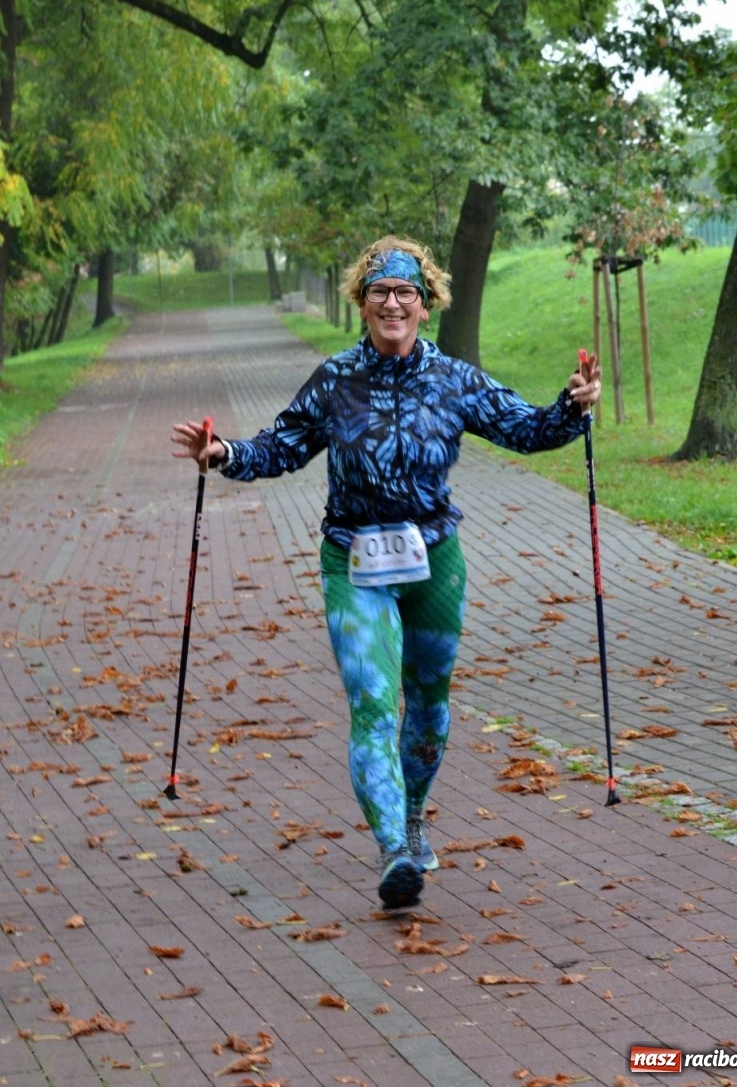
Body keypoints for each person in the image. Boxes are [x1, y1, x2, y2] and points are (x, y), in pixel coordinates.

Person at [172, 235, 601, 910]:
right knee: (373, 704)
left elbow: (528, 429)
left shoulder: (454, 380)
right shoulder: (335, 379)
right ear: (362, 304)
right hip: (353, 560)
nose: (393, 302)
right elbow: (281, 446)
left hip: (435, 562)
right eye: (380, 292)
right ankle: (394, 852)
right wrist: (224, 452)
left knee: (428, 710)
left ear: (425, 305)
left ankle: (411, 815)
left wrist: (573, 407)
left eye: (406, 292)